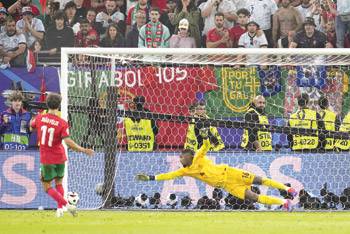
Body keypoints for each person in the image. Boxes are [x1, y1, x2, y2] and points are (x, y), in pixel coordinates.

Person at [136, 132, 297, 211]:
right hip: (227, 186)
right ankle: (284, 203)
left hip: (231, 173)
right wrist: (150, 177)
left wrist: (206, 137)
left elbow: (205, 146)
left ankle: (287, 189)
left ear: (190, 156)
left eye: (182, 156)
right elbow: (167, 176)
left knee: (260, 180)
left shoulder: (197, 157)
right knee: (254, 198)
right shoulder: (185, 171)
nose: (180, 158)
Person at [30, 93, 94, 217]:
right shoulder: (62, 123)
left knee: (46, 186)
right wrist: (83, 149)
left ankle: (66, 205)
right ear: (59, 105)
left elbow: (31, 127)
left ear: (47, 104)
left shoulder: (39, 118)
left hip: (47, 159)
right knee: (59, 182)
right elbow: (68, 141)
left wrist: (36, 122)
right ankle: (59, 210)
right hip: (60, 157)